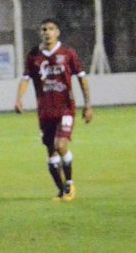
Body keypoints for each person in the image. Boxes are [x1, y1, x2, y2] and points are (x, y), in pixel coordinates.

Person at [15, 18, 93, 201]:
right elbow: (25, 79)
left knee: (61, 145)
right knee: (51, 151)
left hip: (65, 109)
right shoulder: (34, 55)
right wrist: (19, 99)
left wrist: (88, 104)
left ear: (57, 32)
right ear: (40, 33)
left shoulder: (67, 53)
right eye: (44, 29)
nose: (47, 32)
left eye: (51, 29)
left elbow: (82, 78)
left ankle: (70, 184)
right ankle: (61, 190)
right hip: (45, 111)